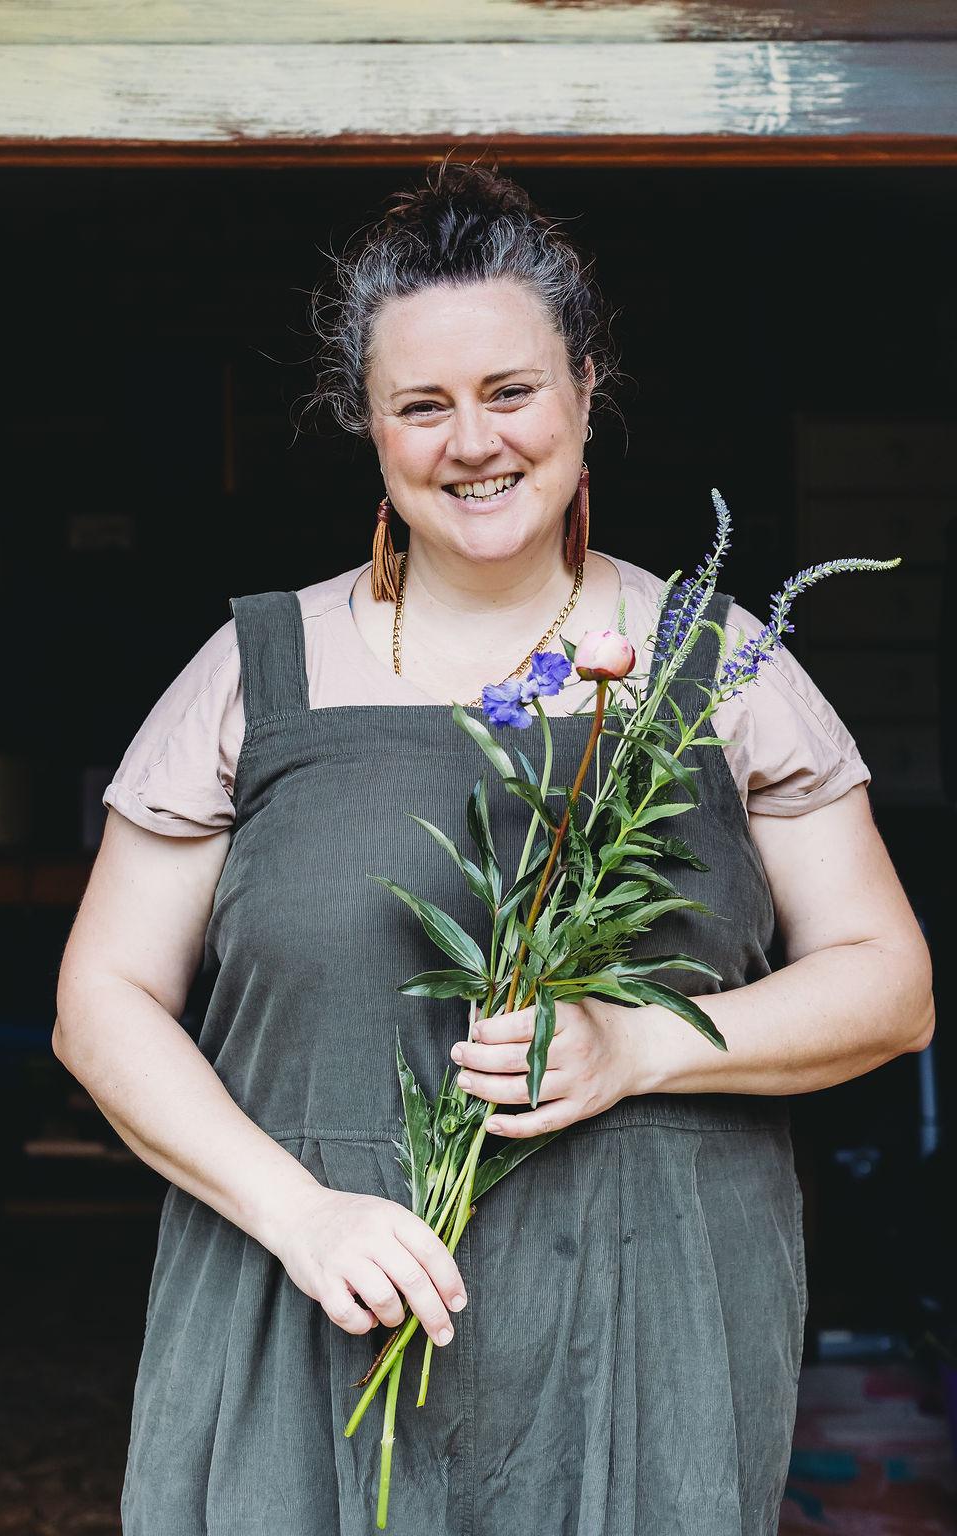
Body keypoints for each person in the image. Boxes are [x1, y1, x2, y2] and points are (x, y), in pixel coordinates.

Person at [54, 161, 934, 1535]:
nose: (474, 441)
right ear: (371, 428)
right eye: (423, 405)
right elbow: (99, 1007)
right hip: (305, 1321)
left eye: (511, 391)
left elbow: (891, 985)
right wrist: (301, 1215)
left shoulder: (720, 668)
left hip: (642, 1330)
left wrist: (635, 1042)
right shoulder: (255, 669)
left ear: (587, 388)